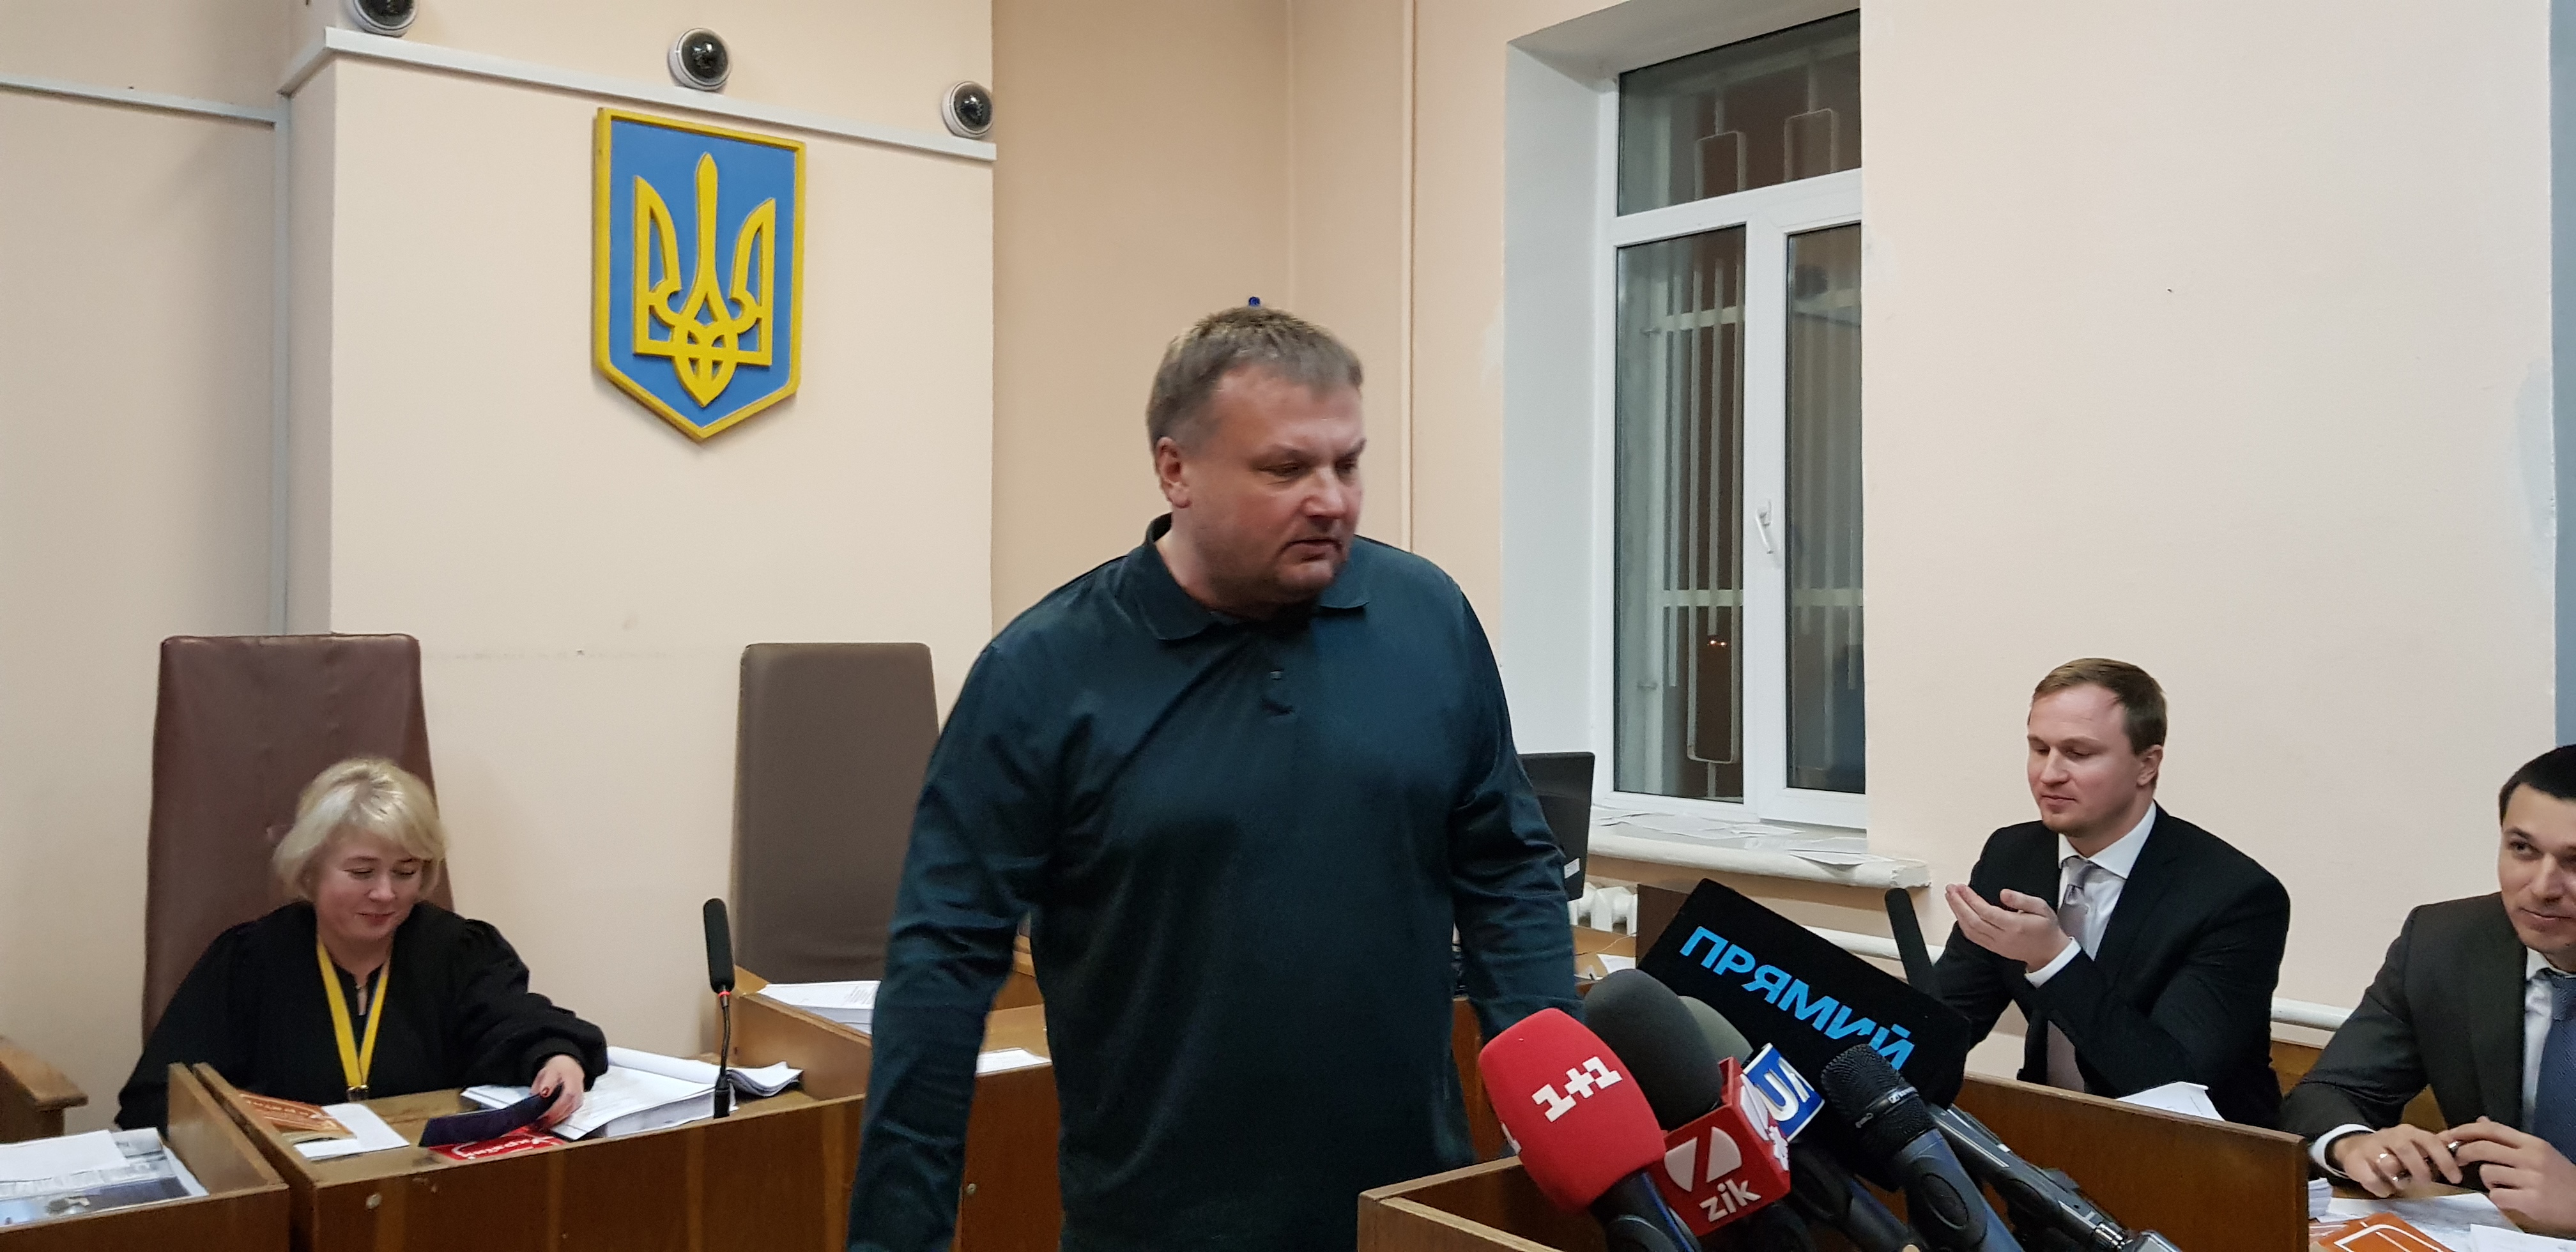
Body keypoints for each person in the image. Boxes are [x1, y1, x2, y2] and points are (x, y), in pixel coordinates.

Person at [845, 307, 1578, 1252]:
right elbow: (942, 967)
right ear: (1175, 470)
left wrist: (1556, 1102)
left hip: (1407, 1212)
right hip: (1158, 1225)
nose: (1331, 500)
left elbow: (1508, 867)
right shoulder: (1044, 674)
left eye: (1348, 464)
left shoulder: (1426, 617)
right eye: (1286, 469)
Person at [116, 758, 606, 1129]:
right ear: (310, 868)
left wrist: (557, 1058)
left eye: (406, 872)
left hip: (422, 1187)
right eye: (362, 872)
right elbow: (158, 1098)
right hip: (288, 1194)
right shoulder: (250, 960)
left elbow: (518, 1024)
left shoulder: (457, 950)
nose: (386, 894)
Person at [1932, 659, 2290, 1125]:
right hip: (2050, 1132)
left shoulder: (2235, 896)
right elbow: (1947, 1020)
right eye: (2039, 749)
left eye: (2079, 753)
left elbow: (2173, 1084)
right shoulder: (2013, 854)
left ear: (2147, 765)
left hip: (2201, 1151)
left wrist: (2054, 961)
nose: (2049, 774)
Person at [2280, 745, 2576, 1233]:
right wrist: (2354, 1144)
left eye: (2575, 860)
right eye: (2523, 849)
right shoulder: (2445, 943)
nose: (2543, 887)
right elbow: (2330, 1091)